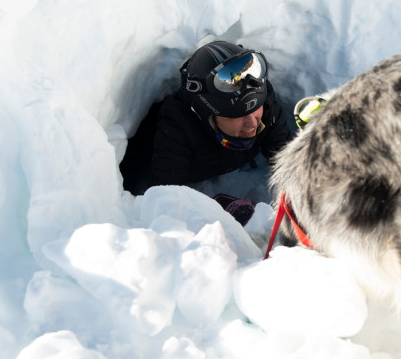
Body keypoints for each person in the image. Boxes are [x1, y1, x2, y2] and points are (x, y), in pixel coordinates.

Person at [119, 41, 293, 223]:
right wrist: (217, 211)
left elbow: (287, 160)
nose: (252, 123)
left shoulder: (261, 98)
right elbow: (165, 200)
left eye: (255, 109)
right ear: (209, 115)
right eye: (236, 116)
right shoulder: (178, 124)